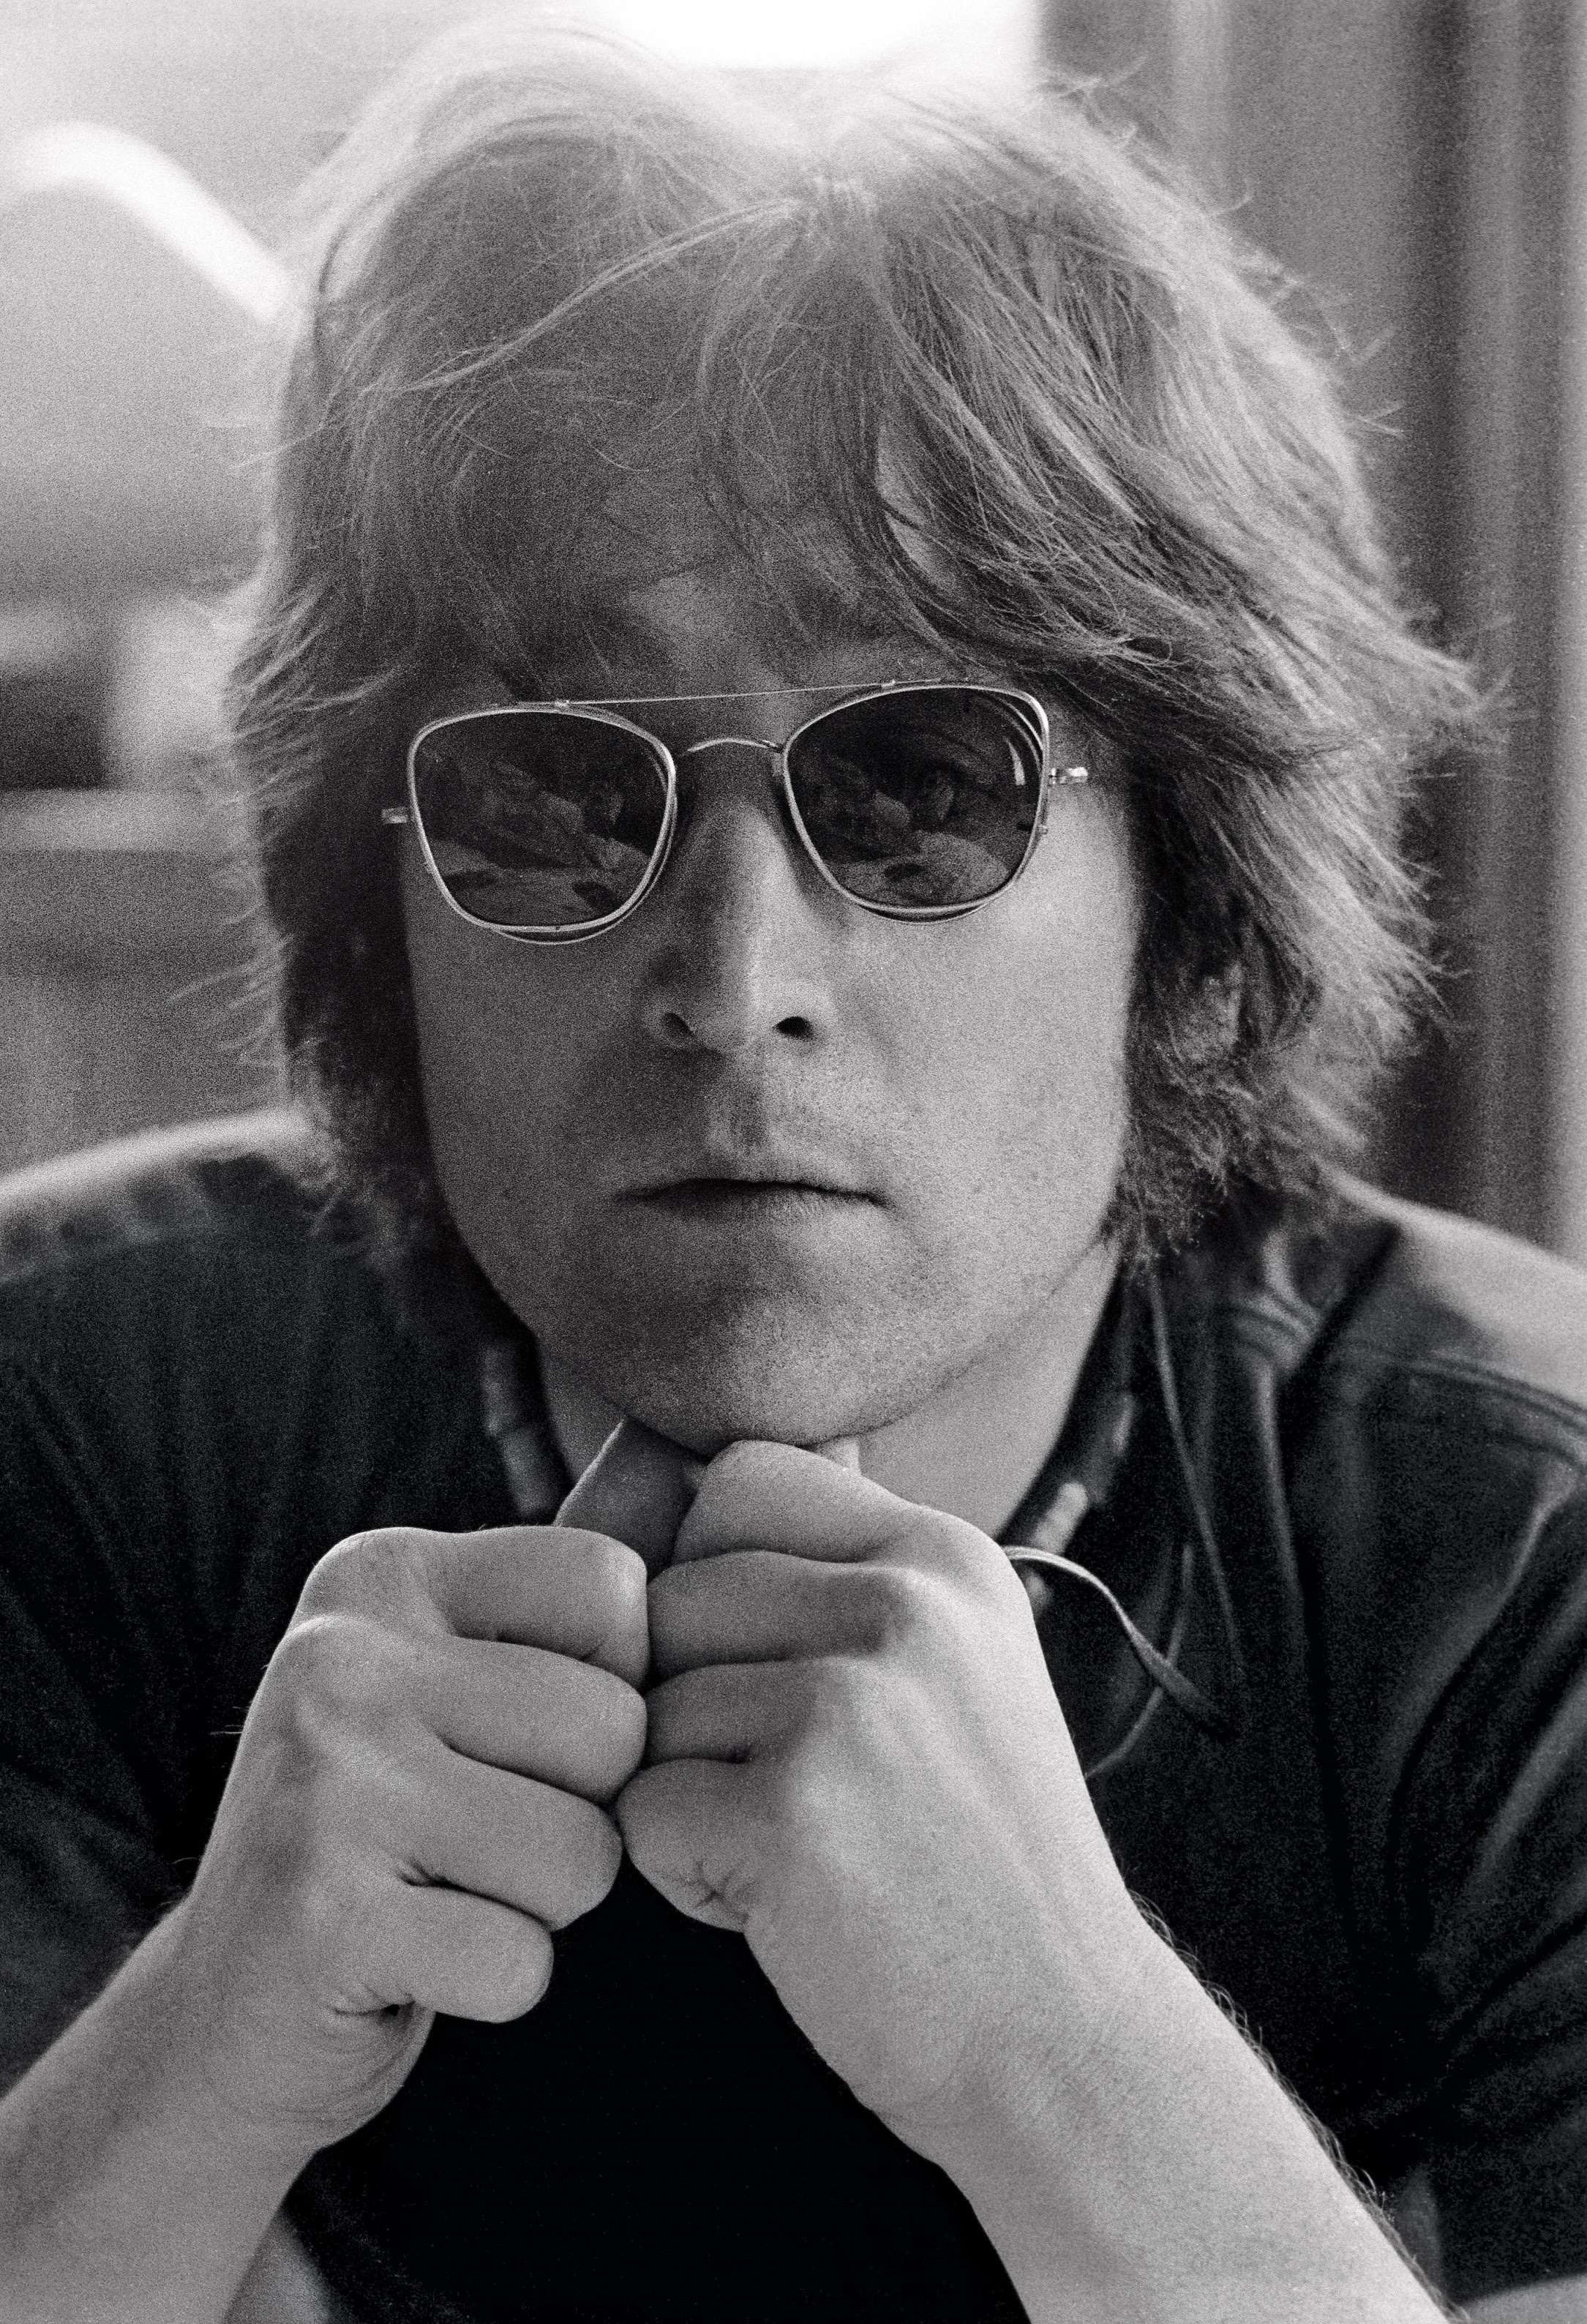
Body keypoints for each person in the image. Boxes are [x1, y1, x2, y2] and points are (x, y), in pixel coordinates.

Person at [2, 17, 1586, 2323]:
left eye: (916, 785)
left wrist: (1062, 2048)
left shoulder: (1522, 1552)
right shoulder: (70, 1416)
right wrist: (204, 2050)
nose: (734, 980)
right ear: (380, 903)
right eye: (554, 792)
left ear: (1190, 899)